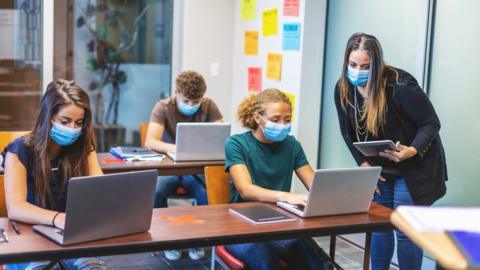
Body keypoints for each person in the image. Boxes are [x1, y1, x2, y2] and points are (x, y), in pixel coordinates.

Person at [334, 33, 447, 270]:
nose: (357, 71)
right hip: (380, 166)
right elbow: (347, 133)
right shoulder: (343, 89)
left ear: (376, 64)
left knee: (405, 230)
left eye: (365, 66)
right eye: (352, 65)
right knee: (379, 227)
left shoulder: (400, 85)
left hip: (414, 165)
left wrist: (412, 150)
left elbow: (431, 123)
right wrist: (364, 165)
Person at [2, 79, 107, 270]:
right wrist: (58, 218)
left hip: (72, 236)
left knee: (93, 267)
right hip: (29, 235)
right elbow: (16, 208)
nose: (73, 129)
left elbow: (99, 189)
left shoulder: (82, 147)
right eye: (65, 121)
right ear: (48, 117)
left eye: (79, 123)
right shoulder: (19, 150)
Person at [224, 89, 329, 270]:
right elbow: (245, 190)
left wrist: (336, 193)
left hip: (281, 223)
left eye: (287, 120)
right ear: (258, 118)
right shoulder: (236, 144)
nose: (282, 125)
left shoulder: (292, 145)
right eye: (275, 120)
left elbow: (315, 185)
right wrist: (286, 196)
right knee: (267, 263)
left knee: (316, 262)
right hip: (240, 226)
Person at [145, 70, 223, 261]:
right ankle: (166, 242)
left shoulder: (209, 105)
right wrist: (179, 148)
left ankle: (197, 242)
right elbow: (150, 142)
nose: (191, 105)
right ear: (176, 92)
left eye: (195, 102)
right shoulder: (163, 107)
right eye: (186, 100)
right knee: (156, 194)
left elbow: (222, 136)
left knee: (209, 195)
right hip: (168, 166)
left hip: (196, 168)